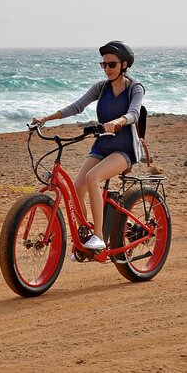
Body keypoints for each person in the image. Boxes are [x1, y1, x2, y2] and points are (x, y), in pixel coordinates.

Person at [32, 41, 144, 251]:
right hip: (102, 146)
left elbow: (134, 114)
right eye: (103, 65)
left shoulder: (134, 88)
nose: (107, 69)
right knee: (77, 189)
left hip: (124, 149)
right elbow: (77, 107)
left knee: (93, 177)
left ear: (125, 65)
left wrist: (118, 122)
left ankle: (99, 237)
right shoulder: (101, 88)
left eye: (111, 64)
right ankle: (85, 233)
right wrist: (46, 118)